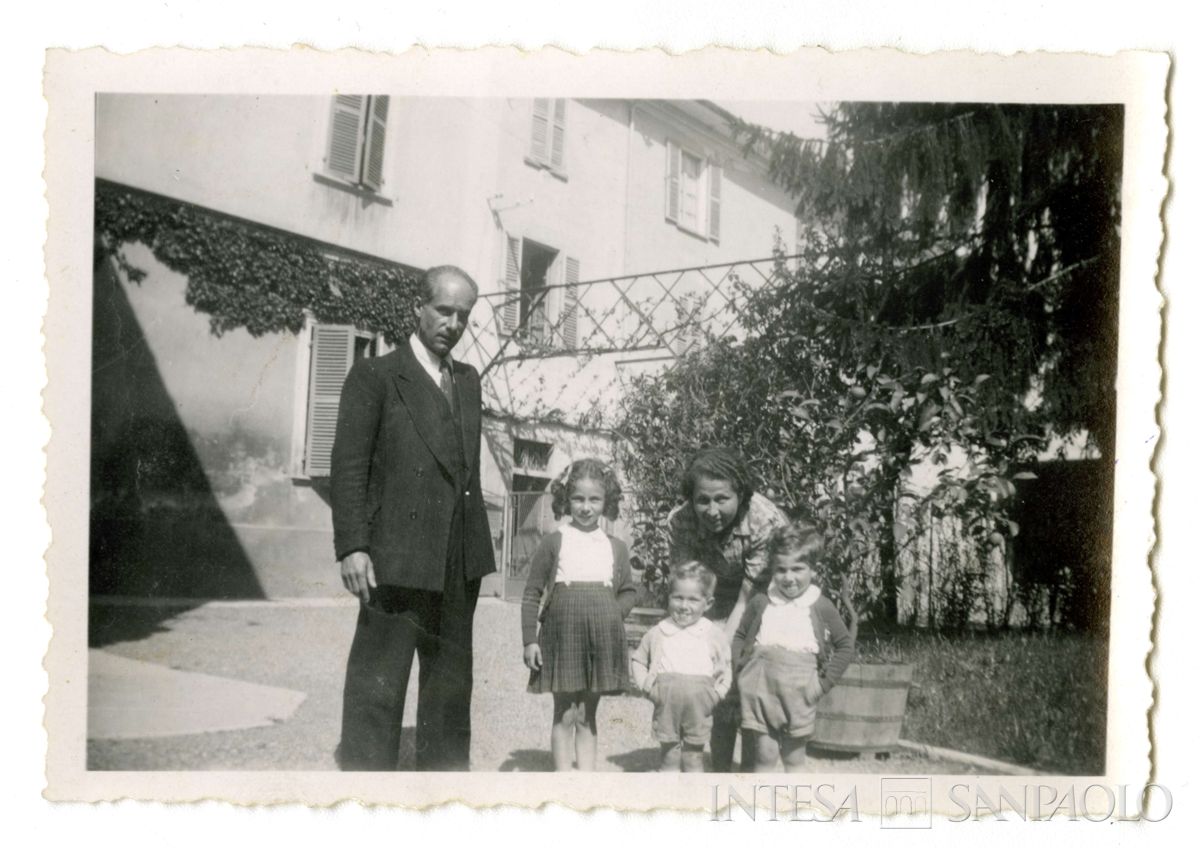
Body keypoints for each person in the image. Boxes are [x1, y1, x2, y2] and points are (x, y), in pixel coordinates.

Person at [331, 265, 496, 771]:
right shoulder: (376, 376)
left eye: (463, 315)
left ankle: (441, 790)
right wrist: (353, 546)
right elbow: (350, 466)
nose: (453, 324)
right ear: (417, 308)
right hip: (395, 556)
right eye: (444, 311)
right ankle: (365, 790)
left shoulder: (467, 381)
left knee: (450, 691)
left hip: (457, 559)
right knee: (377, 685)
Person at [665, 447, 789, 771]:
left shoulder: (765, 520)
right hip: (712, 596)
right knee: (717, 685)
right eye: (702, 500)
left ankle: (748, 773)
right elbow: (688, 586)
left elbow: (751, 596)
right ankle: (720, 769)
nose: (712, 510)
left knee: (747, 687)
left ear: (741, 494)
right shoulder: (681, 522)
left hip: (763, 598)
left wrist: (725, 643)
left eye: (722, 499)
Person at [520, 459, 637, 771]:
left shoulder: (615, 547)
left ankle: (585, 781)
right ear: (565, 499)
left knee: (586, 714)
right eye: (578, 499)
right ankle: (563, 781)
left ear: (606, 502)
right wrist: (529, 640)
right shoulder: (554, 541)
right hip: (563, 636)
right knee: (565, 713)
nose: (586, 507)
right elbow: (532, 593)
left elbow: (628, 592)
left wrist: (612, 614)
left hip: (600, 639)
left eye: (594, 499)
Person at [731, 520, 854, 773]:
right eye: (781, 570)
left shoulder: (820, 605)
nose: (788, 578)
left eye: (797, 569)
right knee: (764, 757)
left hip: (800, 694)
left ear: (813, 570)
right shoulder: (762, 601)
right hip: (760, 691)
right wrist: (739, 671)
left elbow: (845, 646)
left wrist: (823, 685)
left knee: (794, 759)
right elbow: (740, 636)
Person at [631, 561, 731, 772]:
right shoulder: (659, 631)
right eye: (678, 597)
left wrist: (717, 694)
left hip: (699, 706)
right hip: (667, 704)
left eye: (693, 599)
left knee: (694, 757)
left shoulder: (713, 634)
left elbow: (725, 667)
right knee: (669, 756)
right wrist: (646, 688)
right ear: (669, 597)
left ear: (708, 603)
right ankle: (670, 790)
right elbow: (638, 660)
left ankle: (693, 792)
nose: (684, 606)